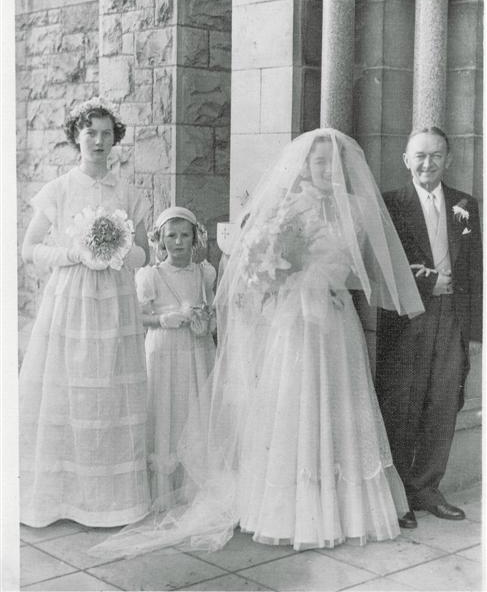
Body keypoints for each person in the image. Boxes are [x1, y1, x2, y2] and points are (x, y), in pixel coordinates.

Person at [90, 128, 424, 558]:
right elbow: (254, 264)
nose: (327, 170)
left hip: (336, 320)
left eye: (333, 163)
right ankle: (288, 511)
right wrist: (282, 274)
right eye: (319, 162)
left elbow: (361, 268)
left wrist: (327, 282)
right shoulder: (287, 208)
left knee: (338, 404)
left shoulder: (356, 210)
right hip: (295, 323)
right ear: (305, 167)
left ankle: (345, 510)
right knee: (294, 405)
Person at [19, 97, 151, 527]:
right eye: (90, 132)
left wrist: (118, 251)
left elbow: (145, 254)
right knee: (71, 387)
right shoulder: (58, 190)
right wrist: (74, 252)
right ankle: (64, 498)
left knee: (110, 389)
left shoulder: (128, 193)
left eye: (106, 134)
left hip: (115, 299)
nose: (98, 141)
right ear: (76, 136)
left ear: (116, 141)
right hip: (71, 297)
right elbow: (29, 250)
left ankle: (110, 500)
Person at [375, 126, 482, 528]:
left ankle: (428, 488)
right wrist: (425, 282)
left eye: (436, 155)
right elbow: (382, 267)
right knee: (403, 402)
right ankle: (400, 494)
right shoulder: (391, 205)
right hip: (408, 320)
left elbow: (475, 269)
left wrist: (474, 333)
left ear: (448, 160)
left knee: (443, 403)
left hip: (452, 318)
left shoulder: (466, 205)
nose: (427, 163)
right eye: (419, 155)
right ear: (406, 160)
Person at [136, 207, 216, 511]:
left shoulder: (204, 272)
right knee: (166, 407)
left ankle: (192, 482)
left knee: (192, 407)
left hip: (196, 350)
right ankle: (163, 486)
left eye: (185, 235)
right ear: (161, 241)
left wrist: (206, 320)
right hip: (164, 349)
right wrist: (163, 319)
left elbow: (210, 304)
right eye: (172, 236)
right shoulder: (150, 276)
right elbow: (139, 316)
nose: (179, 242)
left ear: (195, 239)